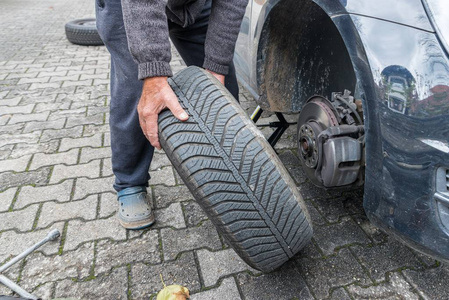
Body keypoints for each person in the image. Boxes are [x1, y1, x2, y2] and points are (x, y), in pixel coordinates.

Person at [95, 0, 248, 229]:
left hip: (194, 4)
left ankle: (234, 169)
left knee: (223, 90)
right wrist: (153, 73)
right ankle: (130, 182)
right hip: (128, 6)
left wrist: (216, 65)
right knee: (137, 91)